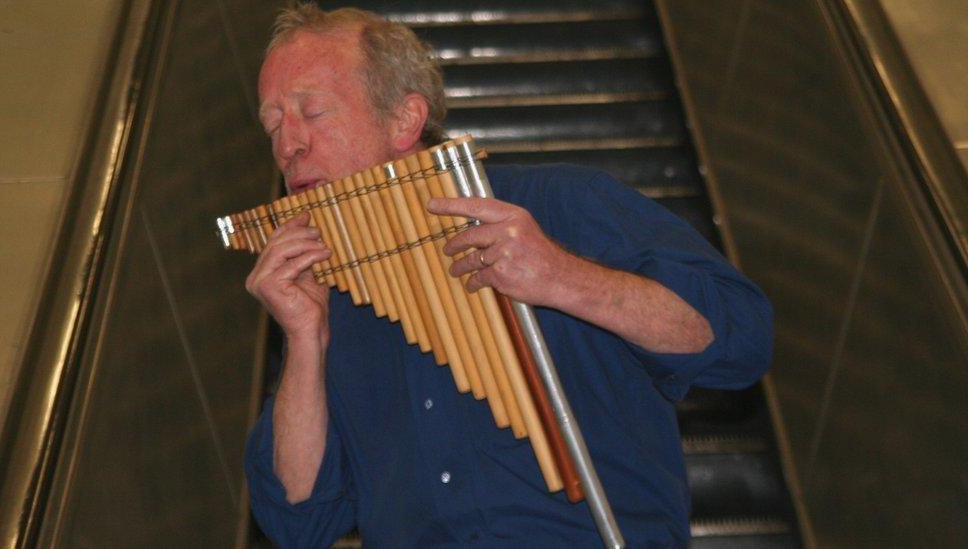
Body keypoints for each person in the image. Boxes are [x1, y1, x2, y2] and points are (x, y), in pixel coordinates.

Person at [243, 5, 772, 548]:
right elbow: (297, 522)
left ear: (404, 120)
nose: (289, 146)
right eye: (274, 124)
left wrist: (562, 277)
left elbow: (741, 335)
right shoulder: (329, 290)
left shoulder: (558, 204)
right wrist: (307, 341)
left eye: (312, 111)